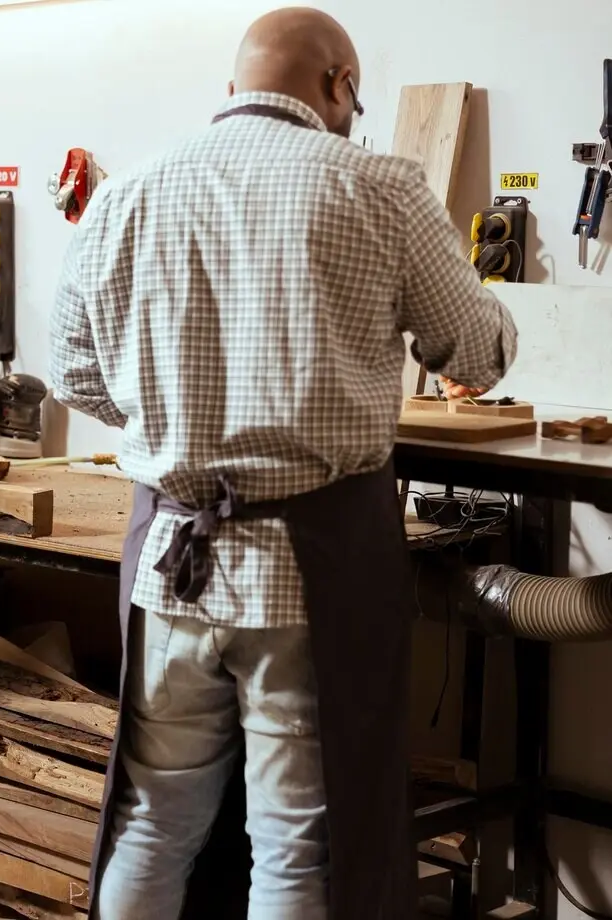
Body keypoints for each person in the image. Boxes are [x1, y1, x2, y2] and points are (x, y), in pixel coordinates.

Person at [49, 7, 517, 919]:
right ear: (339, 84)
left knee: (154, 822)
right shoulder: (380, 185)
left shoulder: (130, 190)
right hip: (310, 572)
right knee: (297, 848)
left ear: (234, 90)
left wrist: (174, 427)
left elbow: (75, 373)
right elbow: (478, 355)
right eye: (356, 95)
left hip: (171, 563)